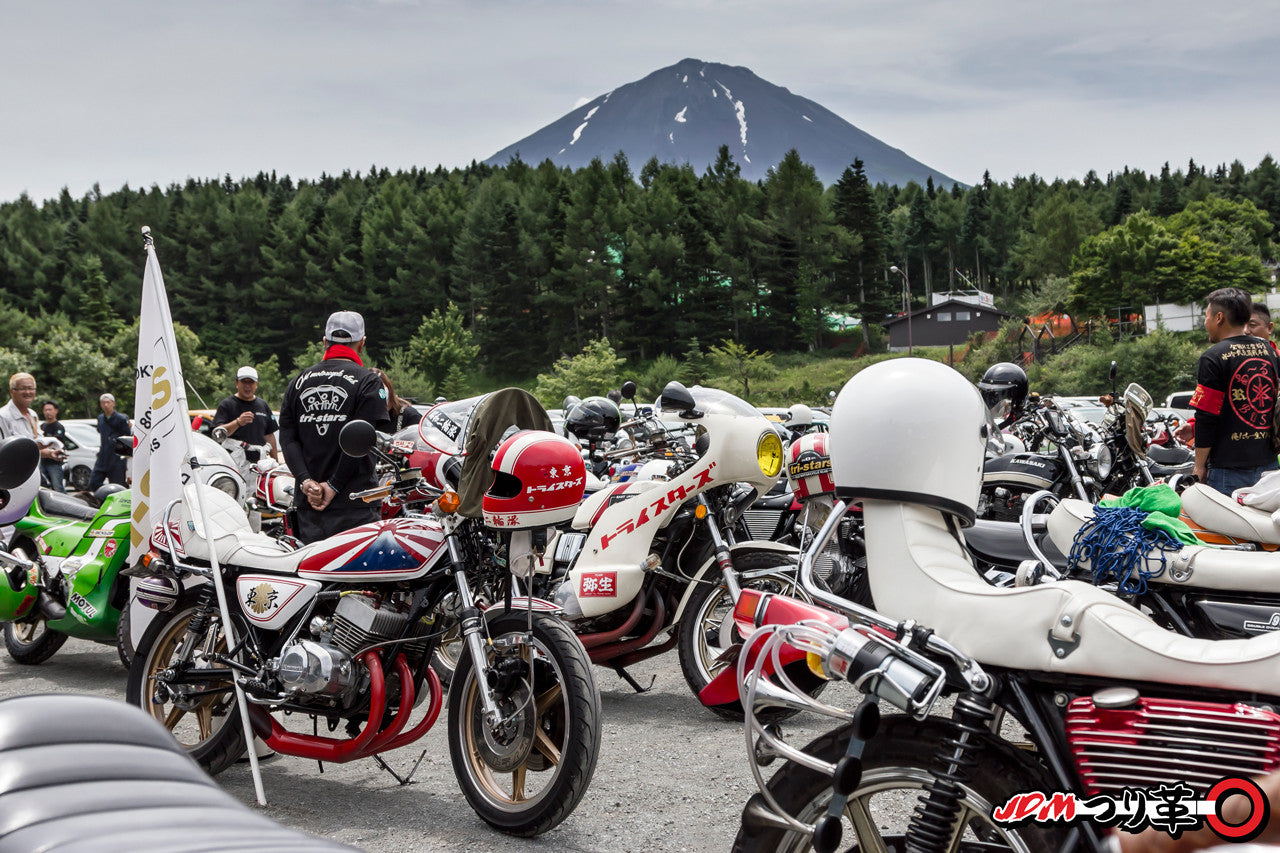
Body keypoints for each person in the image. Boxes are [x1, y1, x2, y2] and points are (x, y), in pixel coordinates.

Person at [278, 310, 390, 544]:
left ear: (325, 342)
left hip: (309, 505)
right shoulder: (368, 381)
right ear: (362, 343)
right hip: (355, 504)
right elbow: (362, 441)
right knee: (358, 578)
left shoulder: (297, 382)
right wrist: (334, 485)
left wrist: (305, 481)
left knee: (313, 576)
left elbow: (288, 439)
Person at [1190, 287, 1280, 495]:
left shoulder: (1213, 357)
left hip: (1228, 472)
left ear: (1219, 317)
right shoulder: (1270, 351)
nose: (1206, 323)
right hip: (1269, 468)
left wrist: (1199, 466)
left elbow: (1206, 416)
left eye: (1207, 316)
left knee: (1225, 528)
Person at [212, 366, 279, 460]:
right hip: (234, 462)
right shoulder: (227, 405)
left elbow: (269, 435)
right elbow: (218, 434)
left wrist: (275, 462)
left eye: (251, 382)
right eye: (244, 382)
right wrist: (238, 422)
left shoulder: (263, 405)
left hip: (259, 464)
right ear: (237, 383)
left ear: (256, 384)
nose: (247, 386)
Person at [0, 373, 64, 471]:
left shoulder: (33, 414)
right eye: (22, 388)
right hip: (11, 475)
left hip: (33, 473)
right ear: (12, 392)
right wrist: (33, 446)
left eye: (31, 388)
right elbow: (4, 451)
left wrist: (50, 453)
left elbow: (37, 447)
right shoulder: (3, 416)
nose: (27, 392)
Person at [88, 392, 130, 490]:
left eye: (108, 402)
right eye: (103, 403)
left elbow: (127, 436)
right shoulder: (101, 418)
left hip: (116, 456)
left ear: (113, 403)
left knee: (118, 485)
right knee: (94, 482)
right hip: (103, 455)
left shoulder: (121, 418)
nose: (106, 405)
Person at [372, 369, 421, 433]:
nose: (374, 393)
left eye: (380, 388)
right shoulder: (362, 417)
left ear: (388, 388)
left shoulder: (410, 416)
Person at [39, 400, 67, 492]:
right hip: (42, 461)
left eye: (50, 410)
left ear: (56, 411)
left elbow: (56, 442)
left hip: (54, 462)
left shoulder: (59, 427)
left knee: (57, 487)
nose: (48, 412)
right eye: (45, 410)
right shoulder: (42, 426)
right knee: (41, 486)